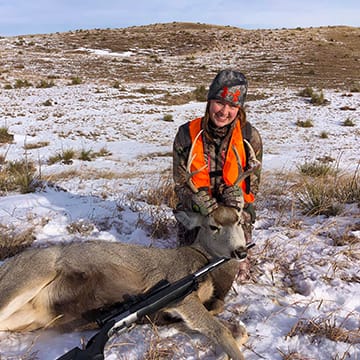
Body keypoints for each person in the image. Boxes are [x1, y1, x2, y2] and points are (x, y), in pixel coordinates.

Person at [172, 69, 263, 281]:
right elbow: (180, 183)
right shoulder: (186, 135)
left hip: (233, 214)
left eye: (232, 106)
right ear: (209, 102)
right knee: (188, 271)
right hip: (201, 211)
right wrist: (194, 199)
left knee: (233, 275)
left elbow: (253, 187)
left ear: (239, 108)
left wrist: (237, 196)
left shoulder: (250, 137)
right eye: (219, 103)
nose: (224, 111)